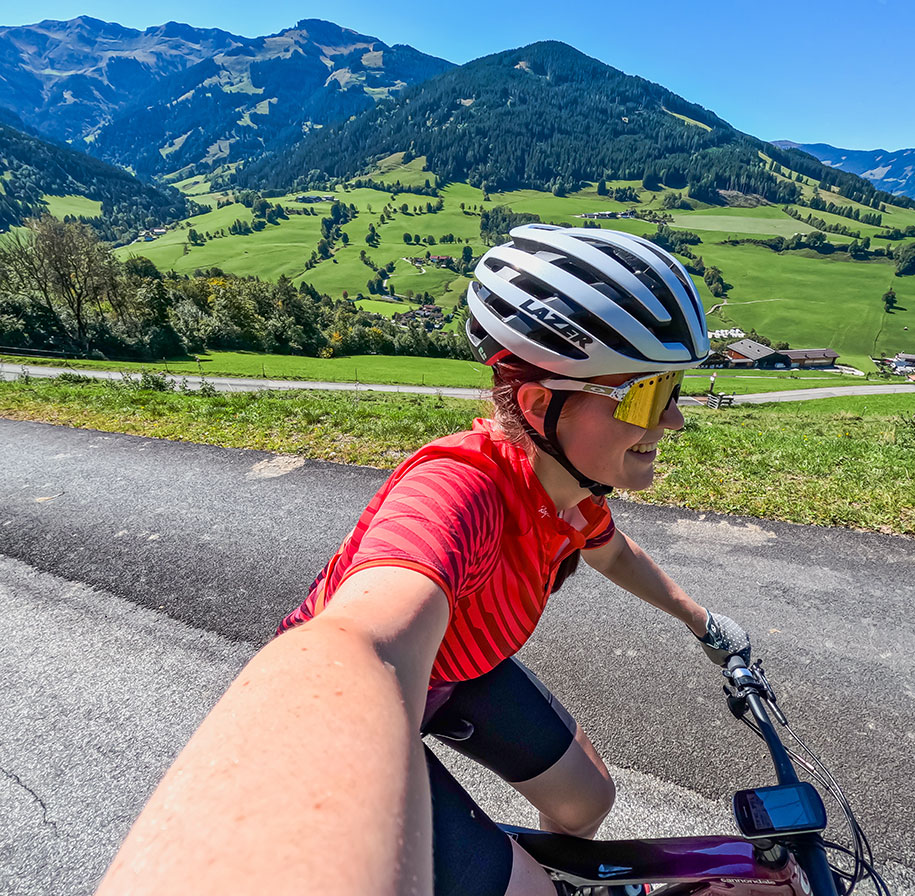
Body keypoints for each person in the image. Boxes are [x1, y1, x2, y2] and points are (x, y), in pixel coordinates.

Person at [96, 224, 750, 896]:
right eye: (646, 395)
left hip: (459, 667)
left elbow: (612, 552)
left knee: (588, 803)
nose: (673, 420)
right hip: (367, 702)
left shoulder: (571, 492)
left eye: (675, 389)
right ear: (536, 403)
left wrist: (704, 622)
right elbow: (355, 640)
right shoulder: (459, 489)